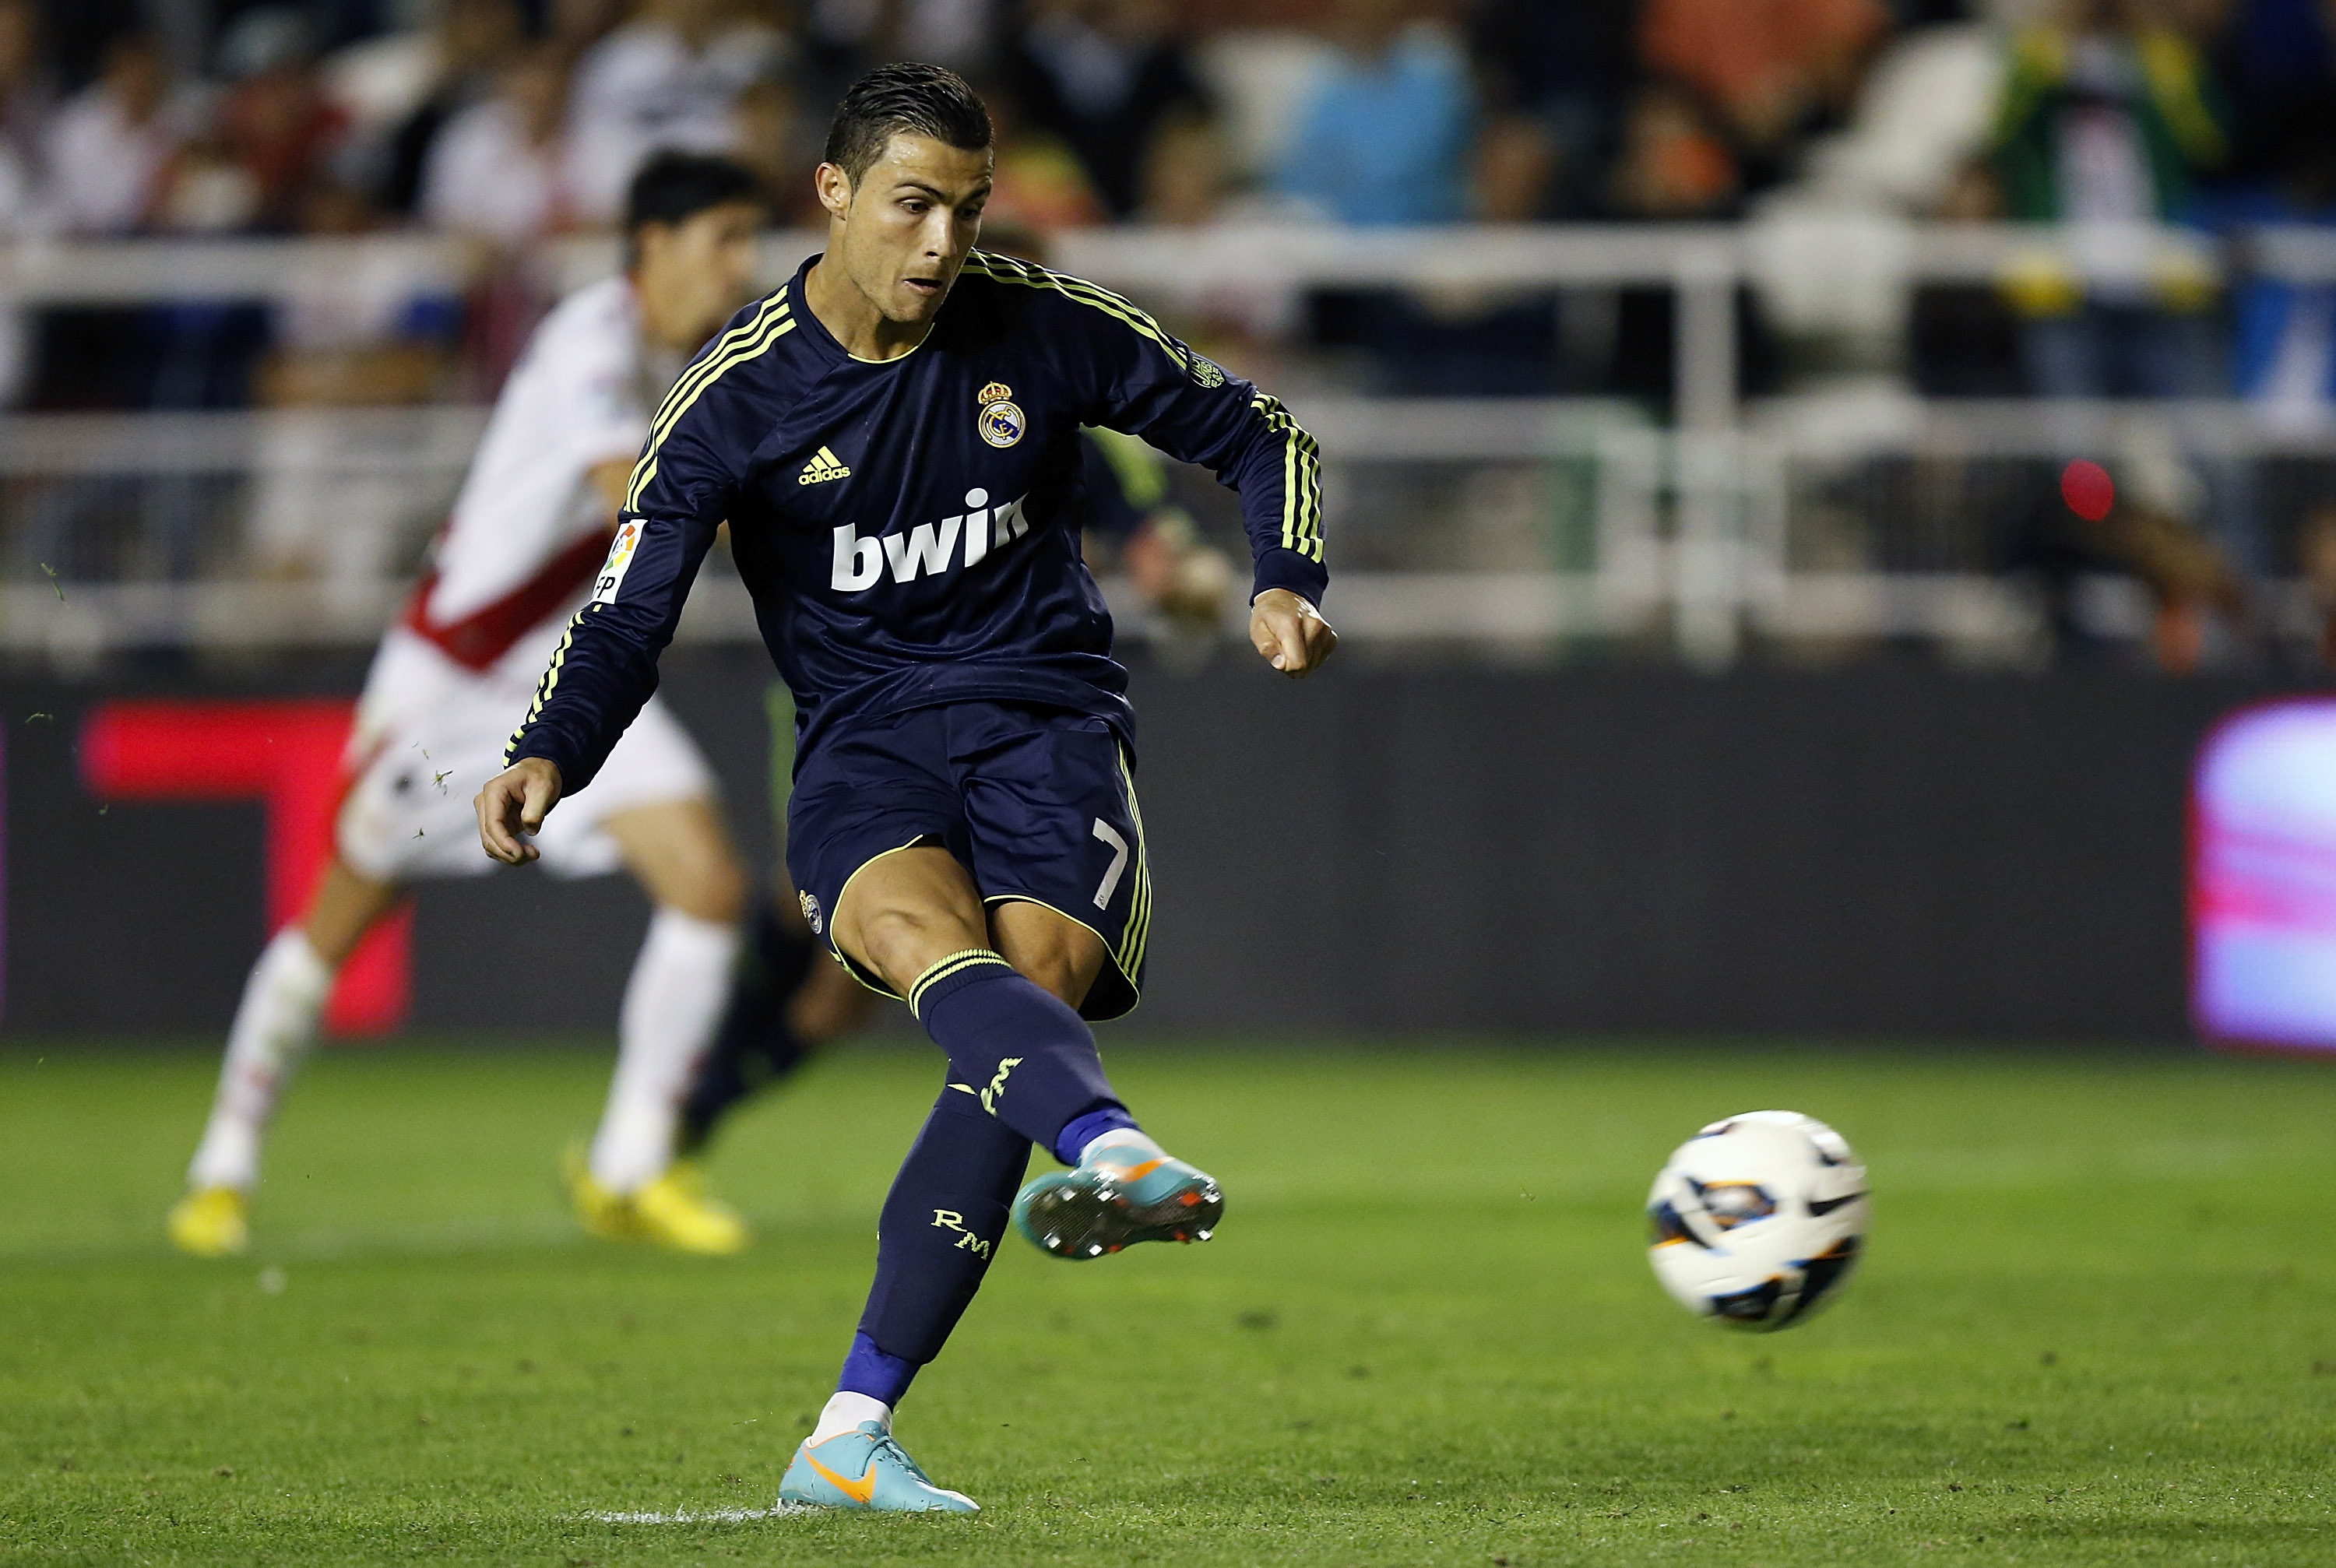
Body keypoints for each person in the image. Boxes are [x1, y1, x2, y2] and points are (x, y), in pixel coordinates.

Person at [476, 64, 1333, 1512]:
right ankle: (1110, 1145)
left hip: (1048, 721)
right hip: (864, 748)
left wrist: (1284, 579)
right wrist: (550, 748)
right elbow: (627, 612)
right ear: (834, 192)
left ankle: (848, 1433)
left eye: (969, 209)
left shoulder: (1040, 325)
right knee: (943, 964)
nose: (943, 243)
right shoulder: (732, 398)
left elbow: (1261, 432)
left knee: (1029, 993)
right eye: (914, 205)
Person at [166, 153, 772, 1261]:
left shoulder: (695, 361)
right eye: (724, 238)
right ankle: (222, 1167)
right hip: (450, 680)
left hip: (555, 664)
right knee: (344, 909)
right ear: (653, 245)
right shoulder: (589, 342)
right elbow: (633, 495)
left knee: (708, 883)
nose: (742, 265)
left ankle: (629, 1167)